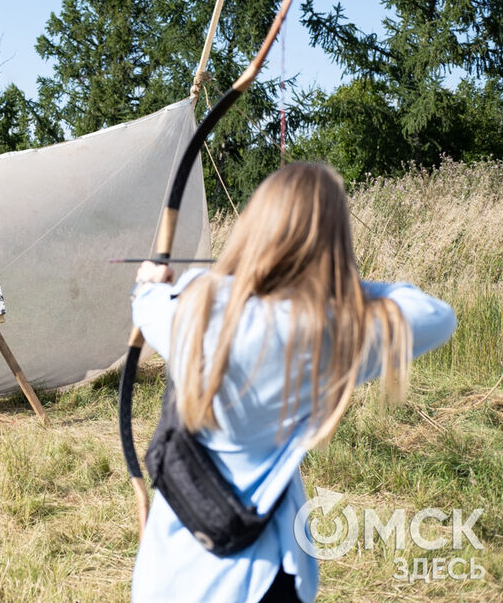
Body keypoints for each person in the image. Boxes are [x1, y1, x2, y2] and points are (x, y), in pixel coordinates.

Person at [129, 162, 456, 602]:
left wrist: (151, 282)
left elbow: (147, 301)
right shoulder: (327, 334)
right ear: (333, 247)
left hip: (174, 575)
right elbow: (436, 315)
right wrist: (335, 285)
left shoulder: (192, 305)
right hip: (264, 579)